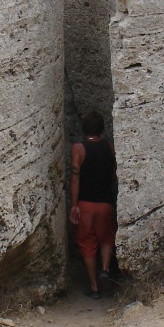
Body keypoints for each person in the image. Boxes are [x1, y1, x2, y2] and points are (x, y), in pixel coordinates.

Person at [69, 110, 117, 299]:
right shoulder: (109, 147)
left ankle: (94, 286)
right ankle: (104, 269)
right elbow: (113, 173)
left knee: (87, 244)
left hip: (86, 204)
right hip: (106, 203)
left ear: (84, 128)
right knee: (107, 239)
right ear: (101, 128)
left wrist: (74, 205)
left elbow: (75, 177)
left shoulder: (79, 149)